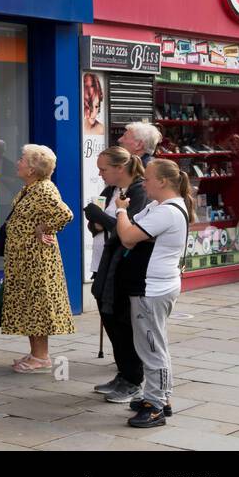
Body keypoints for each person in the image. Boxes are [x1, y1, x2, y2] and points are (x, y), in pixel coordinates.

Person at [112, 158, 193, 428]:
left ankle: (156, 406)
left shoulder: (167, 211)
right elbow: (136, 230)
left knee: (150, 347)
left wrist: (120, 211)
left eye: (147, 178)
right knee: (154, 343)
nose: (143, 183)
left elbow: (128, 236)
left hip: (153, 288)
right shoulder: (159, 207)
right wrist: (132, 226)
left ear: (162, 181)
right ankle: (160, 397)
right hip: (153, 286)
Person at [82, 146, 148, 404]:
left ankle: (133, 379)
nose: (100, 174)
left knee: (123, 323)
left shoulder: (138, 191)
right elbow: (93, 223)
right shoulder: (111, 191)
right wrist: (98, 220)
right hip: (102, 263)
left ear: (120, 168)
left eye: (104, 169)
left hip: (123, 267)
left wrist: (102, 220)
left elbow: (129, 231)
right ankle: (123, 374)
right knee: (109, 318)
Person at [1, 144, 75, 371]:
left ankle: (41, 357)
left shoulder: (44, 189)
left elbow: (65, 214)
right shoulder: (31, 187)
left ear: (32, 168)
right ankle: (36, 353)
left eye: (22, 159)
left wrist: (45, 228)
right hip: (25, 259)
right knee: (29, 305)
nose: (18, 162)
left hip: (37, 260)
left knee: (37, 305)